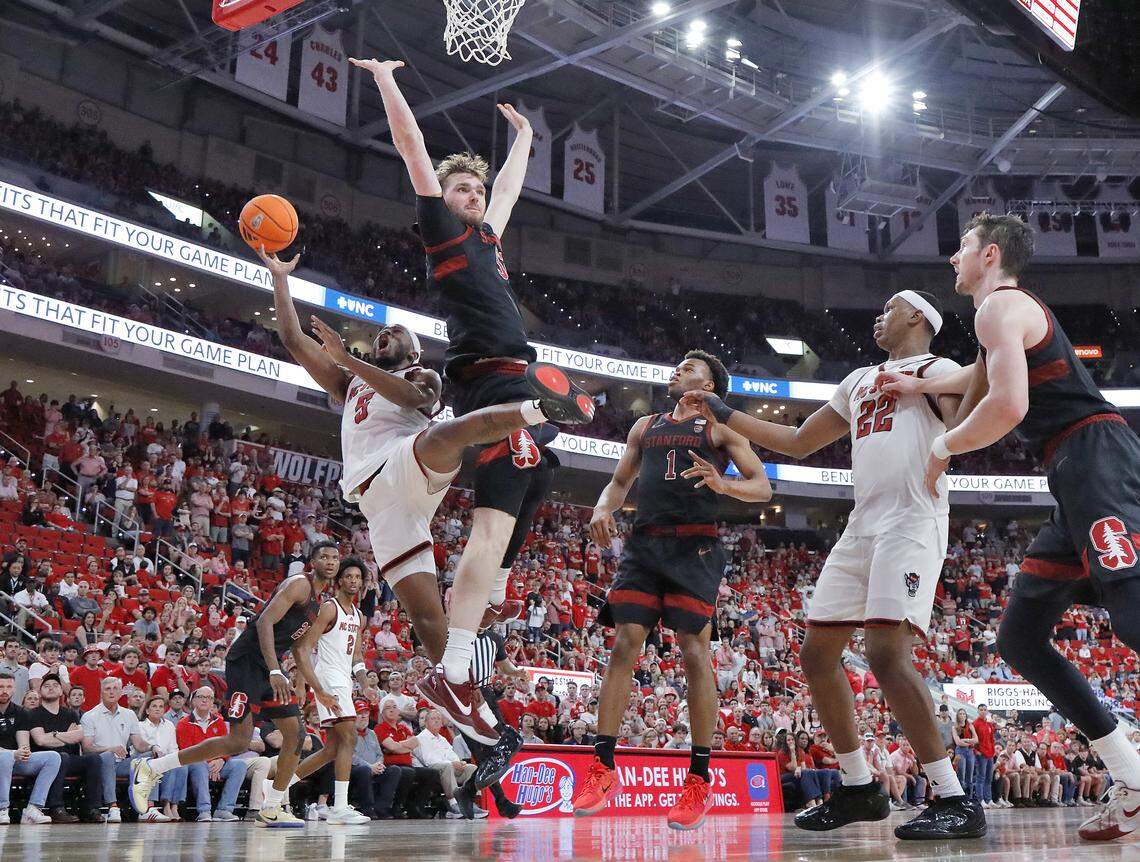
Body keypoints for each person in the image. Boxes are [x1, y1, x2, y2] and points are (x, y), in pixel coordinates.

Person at [260, 243, 588, 755]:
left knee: (445, 433)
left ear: (412, 352)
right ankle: (485, 734)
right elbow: (292, 338)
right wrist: (280, 279)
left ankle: (537, 410)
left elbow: (414, 401)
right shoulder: (349, 384)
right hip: (379, 507)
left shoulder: (423, 376)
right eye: (382, 334)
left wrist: (347, 357)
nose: (385, 335)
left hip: (408, 464)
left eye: (396, 334)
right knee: (431, 624)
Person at [351, 57, 596, 735]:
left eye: (475, 190)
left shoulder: (487, 237)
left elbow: (509, 192)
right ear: (445, 197)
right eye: (462, 188)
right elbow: (410, 150)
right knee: (493, 522)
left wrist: (522, 140)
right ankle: (456, 665)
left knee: (541, 471)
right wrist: (387, 80)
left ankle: (492, 602)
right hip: (490, 380)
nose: (473, 195)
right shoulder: (445, 231)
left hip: (510, 376)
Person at [876, 212, 1140, 842]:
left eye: (961, 248)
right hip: (1071, 472)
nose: (951, 260)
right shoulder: (997, 318)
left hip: (1095, 460)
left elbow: (1009, 404)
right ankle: (1131, 776)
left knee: (1132, 615)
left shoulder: (1001, 306)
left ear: (989, 254)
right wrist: (909, 381)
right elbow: (971, 379)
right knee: (1020, 639)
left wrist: (946, 450)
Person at [684, 292, 984, 840]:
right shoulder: (859, 378)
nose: (879, 313)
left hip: (912, 520)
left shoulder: (936, 369)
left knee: (885, 653)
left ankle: (955, 797)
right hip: (862, 523)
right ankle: (858, 787)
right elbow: (798, 442)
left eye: (891, 306)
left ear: (917, 317)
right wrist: (722, 411)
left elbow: (966, 426)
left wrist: (967, 376)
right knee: (816, 654)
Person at [570, 351, 771, 830]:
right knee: (624, 644)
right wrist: (603, 508)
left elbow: (762, 488)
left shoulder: (721, 429)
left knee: (694, 654)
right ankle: (602, 766)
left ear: (711, 385)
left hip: (695, 549)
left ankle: (698, 779)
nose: (678, 369)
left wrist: (724, 485)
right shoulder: (645, 426)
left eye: (690, 367)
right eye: (678, 366)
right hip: (645, 545)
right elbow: (620, 482)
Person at [129, 541, 340, 827]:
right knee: (238, 740)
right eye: (323, 556)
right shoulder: (299, 585)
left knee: (296, 734)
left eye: (335, 557)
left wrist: (315, 688)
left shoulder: (319, 603)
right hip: (247, 662)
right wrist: (276, 671)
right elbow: (264, 623)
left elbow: (301, 650)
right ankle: (152, 767)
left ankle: (272, 807)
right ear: (312, 563)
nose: (330, 561)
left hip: (270, 667)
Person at [289, 557, 377, 824]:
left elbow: (357, 655)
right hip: (328, 678)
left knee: (332, 749)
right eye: (348, 576)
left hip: (345, 680)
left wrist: (365, 683)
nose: (353, 580)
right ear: (339, 580)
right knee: (349, 738)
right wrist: (302, 683)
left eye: (357, 577)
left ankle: (276, 789)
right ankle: (340, 806)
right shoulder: (330, 608)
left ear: (363, 583)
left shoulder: (359, 616)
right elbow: (304, 647)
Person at [175, 686, 249, 822]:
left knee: (239, 765)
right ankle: (204, 811)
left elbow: (226, 746)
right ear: (194, 701)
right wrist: (211, 762)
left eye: (208, 698)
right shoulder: (183, 724)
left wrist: (221, 759)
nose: (205, 700)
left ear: (212, 702)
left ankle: (224, 809)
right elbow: (187, 751)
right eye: (201, 697)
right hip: (194, 764)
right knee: (200, 764)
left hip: (216, 763)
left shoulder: (219, 722)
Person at [81, 676, 149, 823]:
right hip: (100, 763)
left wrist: (154, 747)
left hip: (123, 763)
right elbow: (86, 748)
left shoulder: (129, 714)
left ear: (121, 693)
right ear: (101, 693)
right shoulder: (90, 716)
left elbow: (138, 744)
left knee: (151, 757)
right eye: (107, 689)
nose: (111, 692)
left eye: (115, 689)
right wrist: (110, 749)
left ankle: (149, 808)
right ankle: (113, 806)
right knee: (107, 756)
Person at [0, 671, 59, 824]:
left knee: (53, 757)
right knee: (5, 757)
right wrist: (12, 753)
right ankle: (2, 808)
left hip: (14, 760)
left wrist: (22, 752)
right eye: (0, 687)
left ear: (14, 689)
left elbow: (24, 744)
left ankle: (33, 809)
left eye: (8, 686)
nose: (4, 690)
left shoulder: (20, 712)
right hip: (6, 758)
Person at [413, 710, 485, 819]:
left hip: (449, 768)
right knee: (447, 766)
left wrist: (459, 762)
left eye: (438, 719)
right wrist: (452, 763)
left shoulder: (442, 739)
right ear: (426, 723)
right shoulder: (421, 738)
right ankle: (453, 804)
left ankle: (469, 802)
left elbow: (452, 754)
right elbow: (429, 760)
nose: (437, 721)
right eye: (433, 719)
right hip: (432, 771)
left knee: (472, 768)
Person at [137, 695, 184, 821]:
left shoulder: (169, 725)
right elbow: (141, 748)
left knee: (182, 765)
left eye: (161, 706)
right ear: (147, 710)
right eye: (154, 706)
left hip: (166, 760)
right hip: (147, 760)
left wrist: (171, 758)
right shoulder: (140, 726)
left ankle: (174, 806)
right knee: (159, 762)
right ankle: (165, 804)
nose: (158, 709)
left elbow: (174, 748)